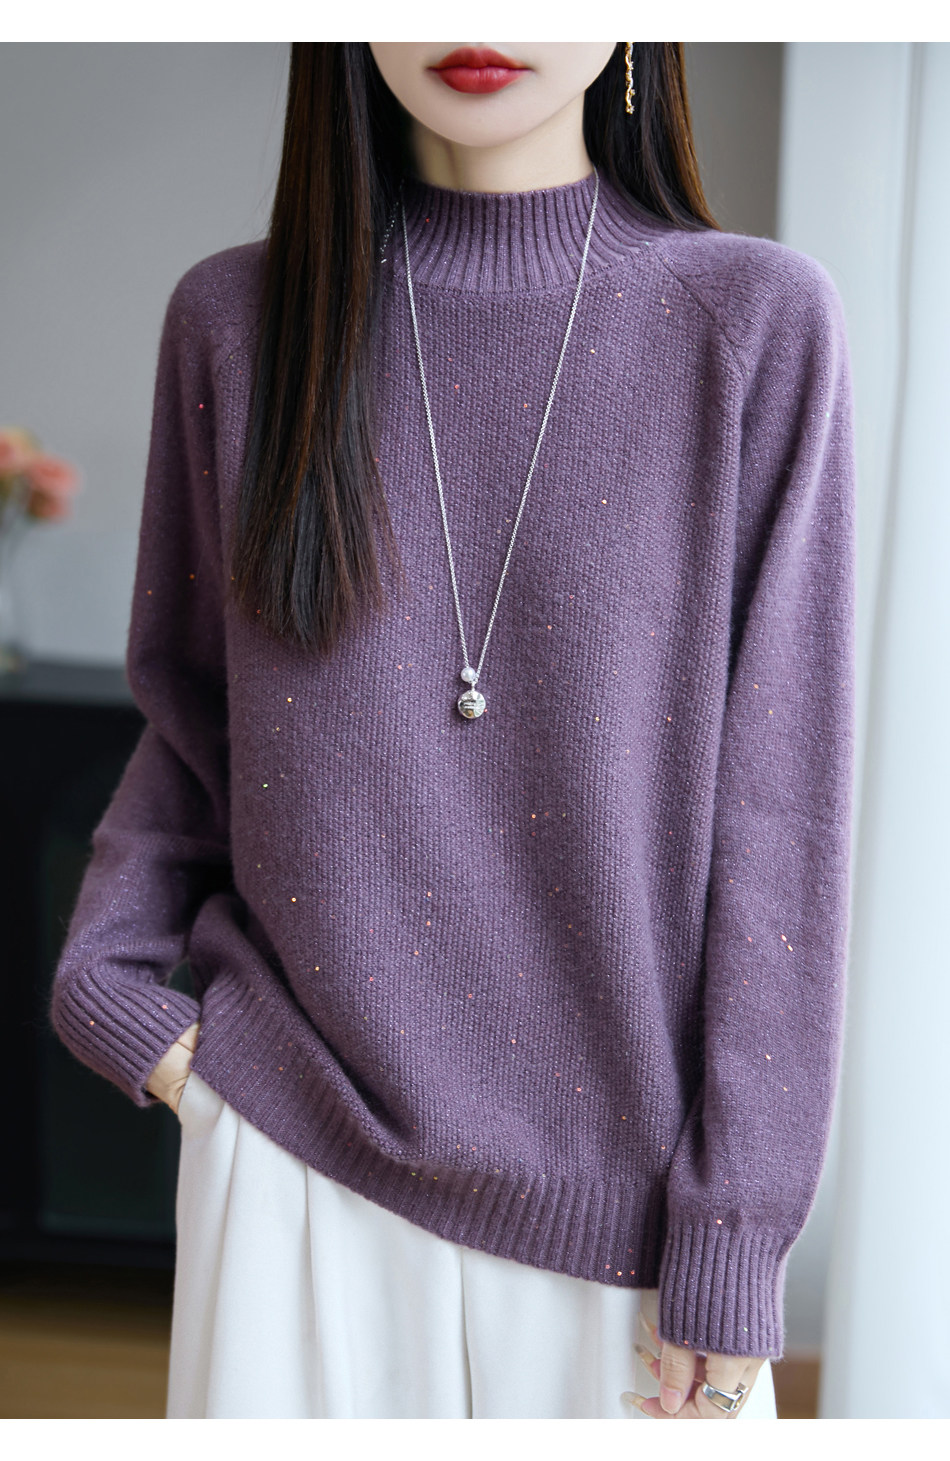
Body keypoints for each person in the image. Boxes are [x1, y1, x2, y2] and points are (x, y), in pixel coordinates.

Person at [48, 42, 856, 1421]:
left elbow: (782, 819)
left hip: (627, 1233)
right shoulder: (237, 323)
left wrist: (735, 1228)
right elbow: (191, 718)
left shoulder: (752, 324)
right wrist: (114, 984)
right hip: (293, 1165)